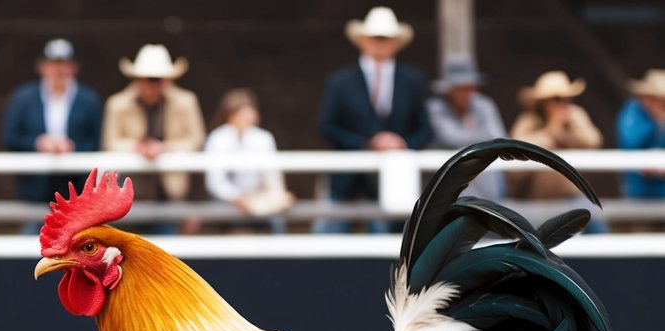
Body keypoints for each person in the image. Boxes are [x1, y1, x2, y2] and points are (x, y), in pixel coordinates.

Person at [315, 7, 432, 234]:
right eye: (376, 37)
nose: (380, 43)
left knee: (388, 246)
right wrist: (366, 143)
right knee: (329, 237)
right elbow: (325, 126)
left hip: (394, 180)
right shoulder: (340, 81)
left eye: (386, 38)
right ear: (363, 40)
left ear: (396, 42)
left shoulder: (412, 80)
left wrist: (401, 143)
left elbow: (425, 129)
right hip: (346, 178)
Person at [0, 38, 103, 233]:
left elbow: (95, 140)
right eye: (54, 64)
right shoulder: (23, 98)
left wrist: (72, 147)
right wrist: (38, 143)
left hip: (75, 189)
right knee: (32, 239)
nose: (59, 71)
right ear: (42, 67)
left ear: (73, 67)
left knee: (75, 243)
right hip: (35, 188)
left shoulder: (88, 100)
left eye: (64, 65)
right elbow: (10, 137)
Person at [102, 44, 205, 234]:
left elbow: (196, 140)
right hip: (128, 194)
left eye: (158, 79)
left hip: (171, 190)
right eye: (149, 78)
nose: (153, 84)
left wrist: (164, 148)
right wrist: (137, 147)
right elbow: (110, 142)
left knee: (165, 253)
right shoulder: (117, 104)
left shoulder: (186, 102)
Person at [508, 70, 606, 233]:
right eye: (556, 99)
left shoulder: (576, 115)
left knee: (597, 224)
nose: (562, 104)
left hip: (572, 198)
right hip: (533, 201)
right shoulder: (528, 120)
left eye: (566, 98)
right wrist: (551, 130)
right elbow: (517, 150)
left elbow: (593, 141)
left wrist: (570, 129)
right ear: (543, 102)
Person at [202, 87, 294, 233]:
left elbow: (272, 176)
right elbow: (215, 183)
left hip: (258, 199)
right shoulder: (218, 138)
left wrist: (278, 195)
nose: (249, 117)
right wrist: (235, 197)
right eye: (242, 113)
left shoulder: (263, 138)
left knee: (278, 215)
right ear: (230, 115)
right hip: (227, 202)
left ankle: (279, 253)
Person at [426, 55, 507, 201]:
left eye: (470, 87)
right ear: (449, 89)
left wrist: (469, 140)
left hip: (485, 178)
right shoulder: (435, 108)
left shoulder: (484, 104)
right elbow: (449, 138)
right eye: (461, 88)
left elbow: (498, 138)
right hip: (449, 182)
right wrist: (478, 136)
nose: (467, 93)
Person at [616, 68, 665, 200]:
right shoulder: (632, 111)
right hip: (638, 187)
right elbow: (630, 142)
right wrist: (655, 123)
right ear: (645, 96)